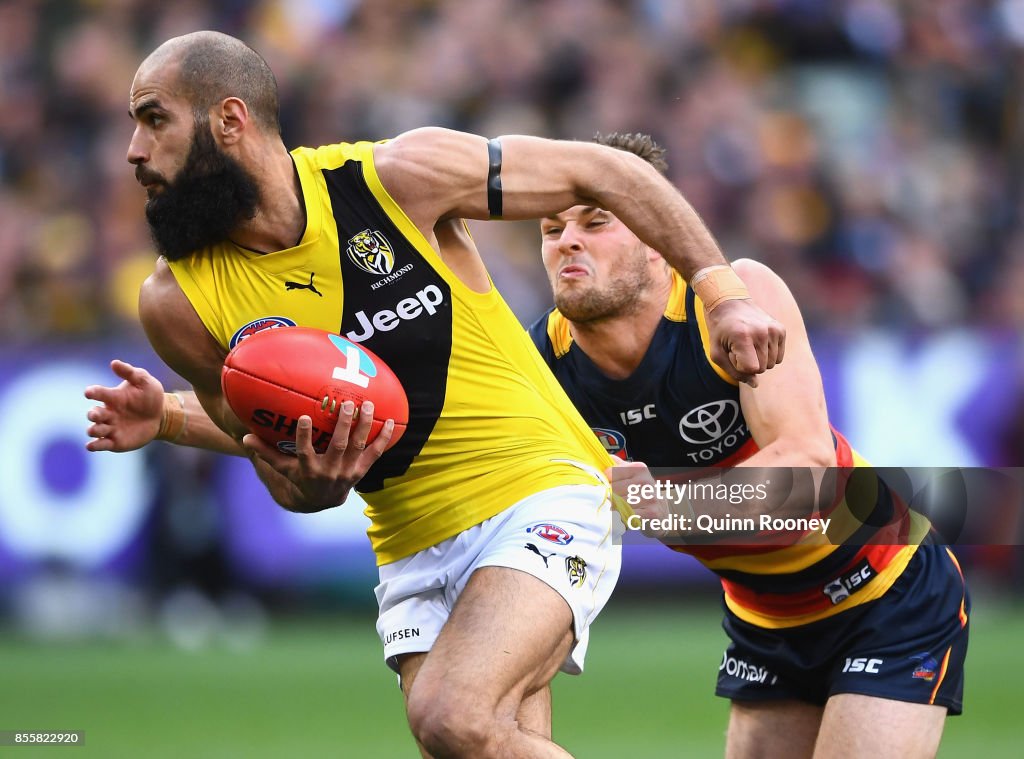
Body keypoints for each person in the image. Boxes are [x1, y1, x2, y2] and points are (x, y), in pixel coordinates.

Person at [83, 32, 784, 758]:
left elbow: (602, 171)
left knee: (450, 715)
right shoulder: (175, 302)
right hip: (410, 545)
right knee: (480, 742)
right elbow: (277, 456)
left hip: (540, 494)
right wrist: (281, 469)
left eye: (153, 118)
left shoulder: (395, 178)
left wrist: (722, 291)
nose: (133, 150)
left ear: (229, 121)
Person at [528, 132, 970, 759]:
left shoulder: (731, 302)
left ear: (659, 240)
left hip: (885, 586)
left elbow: (807, 467)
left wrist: (673, 507)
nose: (567, 240)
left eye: (597, 222)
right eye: (550, 229)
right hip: (764, 619)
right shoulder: (541, 363)